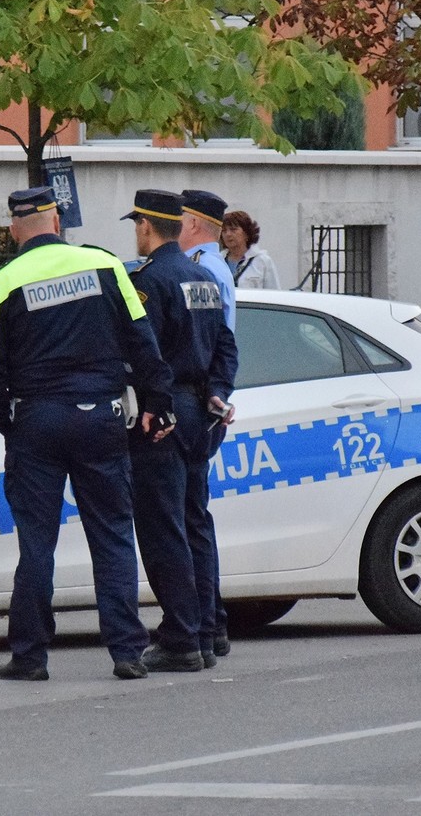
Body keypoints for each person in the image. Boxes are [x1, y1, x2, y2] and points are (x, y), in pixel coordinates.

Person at [0, 186, 176, 682]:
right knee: (111, 536)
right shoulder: (105, 267)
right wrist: (158, 404)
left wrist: (7, 422)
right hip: (101, 418)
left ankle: (30, 656)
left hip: (36, 421)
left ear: (16, 228)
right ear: (57, 222)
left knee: (37, 543)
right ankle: (127, 651)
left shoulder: (1, 284)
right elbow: (142, 340)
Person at [123, 191, 238, 671]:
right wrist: (217, 392)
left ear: (147, 227)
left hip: (165, 418)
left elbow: (144, 353)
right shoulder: (202, 277)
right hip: (198, 415)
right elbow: (226, 345)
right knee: (195, 523)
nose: (135, 232)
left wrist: (155, 406)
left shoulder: (151, 281)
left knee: (162, 526)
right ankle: (206, 631)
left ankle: (180, 638)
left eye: (137, 225)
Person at [178, 188, 236, 657]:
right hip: (207, 402)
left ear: (194, 224)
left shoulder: (204, 270)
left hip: (196, 405)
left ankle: (204, 623)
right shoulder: (213, 267)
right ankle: (209, 621)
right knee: (194, 517)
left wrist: (216, 395)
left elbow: (217, 341)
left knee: (189, 519)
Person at [178, 189, 236, 331]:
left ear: (193, 223)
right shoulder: (215, 263)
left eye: (178, 220)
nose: (174, 226)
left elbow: (197, 335)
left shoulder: (199, 267)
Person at [221, 210, 281, 290]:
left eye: (233, 230)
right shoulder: (218, 260)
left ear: (246, 233)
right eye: (224, 231)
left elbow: (274, 294)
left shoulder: (262, 261)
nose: (228, 234)